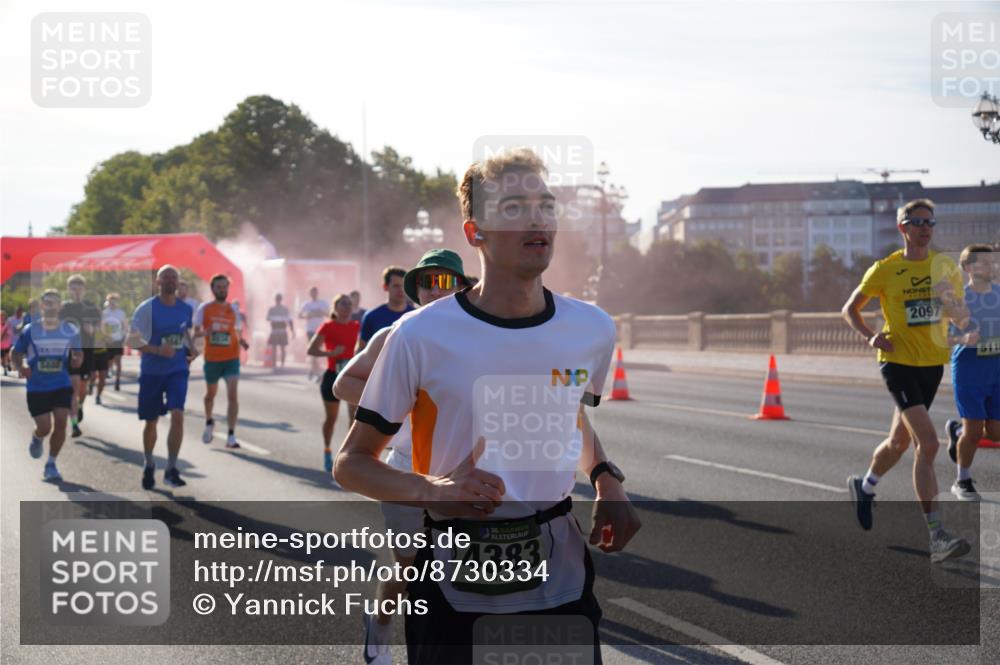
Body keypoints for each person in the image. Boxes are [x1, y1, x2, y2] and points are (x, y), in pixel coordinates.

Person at [335, 149, 641, 664]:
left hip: (558, 575)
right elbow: (352, 463)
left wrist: (607, 478)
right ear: (475, 232)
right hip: (453, 580)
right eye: (514, 207)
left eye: (545, 205)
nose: (538, 218)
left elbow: (567, 413)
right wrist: (432, 489)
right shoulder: (419, 335)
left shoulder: (592, 328)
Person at [333, 248, 469, 665]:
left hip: (461, 473)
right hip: (405, 470)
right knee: (411, 571)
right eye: (426, 282)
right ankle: (380, 623)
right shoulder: (396, 334)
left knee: (457, 576)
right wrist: (397, 400)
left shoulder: (479, 337)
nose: (434, 289)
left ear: (462, 286)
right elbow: (343, 385)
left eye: (444, 280)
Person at [842, 198, 971, 563]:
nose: (924, 227)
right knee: (927, 444)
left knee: (898, 442)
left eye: (929, 221)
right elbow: (849, 309)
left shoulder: (944, 266)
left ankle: (864, 487)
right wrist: (870, 335)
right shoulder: (884, 270)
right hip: (896, 362)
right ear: (902, 228)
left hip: (931, 365)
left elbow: (959, 315)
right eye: (915, 221)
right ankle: (937, 537)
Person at [127, 265, 198, 490]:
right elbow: (131, 340)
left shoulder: (185, 309)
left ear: (178, 283)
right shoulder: (146, 309)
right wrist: (158, 350)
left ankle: (171, 468)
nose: (169, 280)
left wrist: (191, 348)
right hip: (152, 372)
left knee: (178, 415)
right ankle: (149, 463)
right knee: (151, 422)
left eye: (173, 277)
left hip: (177, 370)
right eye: (165, 277)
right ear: (157, 282)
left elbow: (184, 331)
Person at [943, 245, 1000, 501]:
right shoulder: (957, 299)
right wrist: (963, 337)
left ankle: (957, 433)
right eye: (984, 263)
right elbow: (940, 337)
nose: (991, 267)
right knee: (975, 430)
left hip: (997, 371)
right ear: (967, 268)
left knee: (996, 432)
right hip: (969, 371)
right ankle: (962, 480)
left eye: (992, 262)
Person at [11, 289, 83, 481]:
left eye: (54, 302)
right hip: (37, 386)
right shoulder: (30, 330)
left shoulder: (70, 330)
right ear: (42, 306)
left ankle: (51, 463)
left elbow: (78, 352)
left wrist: (77, 359)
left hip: (61, 383)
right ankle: (37, 436)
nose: (51, 306)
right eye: (47, 302)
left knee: (61, 422)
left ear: (60, 306)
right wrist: (21, 366)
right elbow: (15, 353)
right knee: (45, 427)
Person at [194, 274, 249, 449]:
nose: (222, 290)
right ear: (213, 289)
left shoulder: (233, 309)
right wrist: (206, 333)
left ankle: (231, 435)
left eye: (225, 287)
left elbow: (236, 331)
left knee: (233, 395)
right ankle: (209, 421)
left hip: (231, 357)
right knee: (211, 395)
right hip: (212, 359)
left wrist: (242, 341)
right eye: (219, 287)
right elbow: (196, 333)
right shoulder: (205, 309)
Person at [308, 293, 359, 472]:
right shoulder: (328, 326)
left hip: (351, 377)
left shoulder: (357, 326)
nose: (346, 307)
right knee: (332, 418)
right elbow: (311, 349)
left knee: (354, 418)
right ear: (335, 308)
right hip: (332, 376)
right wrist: (330, 354)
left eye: (349, 304)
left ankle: (348, 456)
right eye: (342, 304)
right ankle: (327, 451)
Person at [59, 274, 102, 438]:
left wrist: (93, 329)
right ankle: (75, 425)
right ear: (69, 289)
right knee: (74, 389)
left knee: (83, 388)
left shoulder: (91, 307)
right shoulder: (64, 308)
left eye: (79, 287)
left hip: (88, 351)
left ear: (84, 289)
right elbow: (56, 327)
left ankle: (81, 405)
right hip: (71, 352)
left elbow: (100, 326)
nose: (76, 290)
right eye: (73, 287)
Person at [357, 266, 413, 352]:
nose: (401, 290)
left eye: (403, 286)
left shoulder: (415, 316)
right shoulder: (372, 316)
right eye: (396, 286)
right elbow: (360, 350)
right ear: (385, 287)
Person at [299, 287, 329, 381]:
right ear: (310, 294)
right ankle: (316, 372)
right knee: (313, 351)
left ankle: (312, 370)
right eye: (312, 293)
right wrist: (306, 315)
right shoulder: (307, 304)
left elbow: (330, 314)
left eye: (315, 292)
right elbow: (299, 315)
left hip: (321, 330)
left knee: (317, 351)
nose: (314, 294)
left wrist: (322, 313)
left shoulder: (323, 303)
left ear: (317, 293)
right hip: (310, 330)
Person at [102, 293, 128, 391]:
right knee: (108, 362)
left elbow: (125, 327)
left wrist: (124, 338)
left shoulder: (121, 313)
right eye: (110, 301)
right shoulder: (104, 313)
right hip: (108, 341)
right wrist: (105, 337)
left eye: (114, 301)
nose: (112, 303)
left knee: (118, 361)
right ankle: (106, 376)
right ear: (108, 302)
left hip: (118, 340)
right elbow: (102, 327)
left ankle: (117, 381)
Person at [266, 293, 295, 369]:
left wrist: (292, 330)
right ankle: (275, 364)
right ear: (276, 300)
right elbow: (268, 318)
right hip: (275, 330)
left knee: (281, 348)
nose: (278, 300)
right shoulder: (272, 309)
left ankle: (281, 364)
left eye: (279, 299)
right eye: (277, 299)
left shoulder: (284, 309)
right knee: (275, 348)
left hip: (281, 330)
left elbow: (290, 320)